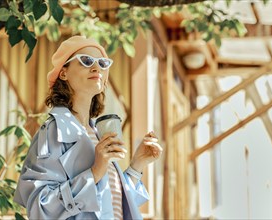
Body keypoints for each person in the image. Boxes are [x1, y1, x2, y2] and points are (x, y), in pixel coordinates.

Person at [14, 35, 163, 219]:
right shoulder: (53, 131)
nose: (96, 67)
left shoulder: (96, 134)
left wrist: (137, 164)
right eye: (86, 61)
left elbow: (111, 205)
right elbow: (39, 208)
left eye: (102, 63)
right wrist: (94, 173)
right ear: (63, 73)